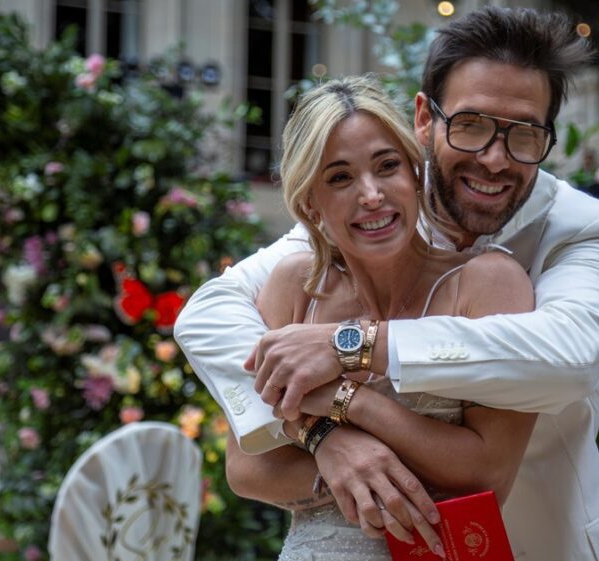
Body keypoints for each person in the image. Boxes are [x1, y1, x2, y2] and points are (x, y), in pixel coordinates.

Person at [175, 6, 599, 561]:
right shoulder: (369, 216)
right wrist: (324, 438)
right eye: (471, 125)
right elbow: (209, 311)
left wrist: (348, 356)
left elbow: (572, 361)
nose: (494, 159)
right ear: (426, 120)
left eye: (523, 134)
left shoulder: (587, 233)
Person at [224, 75, 537, 560]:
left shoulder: (487, 283)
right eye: (340, 177)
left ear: (415, 173)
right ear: (310, 203)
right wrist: (332, 449)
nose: (371, 195)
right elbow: (246, 468)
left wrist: (352, 402)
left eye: (387, 166)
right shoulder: (295, 287)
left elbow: (489, 474)